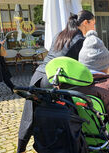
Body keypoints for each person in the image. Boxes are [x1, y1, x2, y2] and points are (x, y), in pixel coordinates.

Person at [17, 10, 95, 153]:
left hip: (38, 75)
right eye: (93, 24)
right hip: (54, 79)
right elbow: (81, 68)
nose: (93, 28)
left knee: (30, 114)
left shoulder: (60, 35)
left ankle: (21, 147)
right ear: (85, 23)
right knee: (63, 113)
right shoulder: (80, 41)